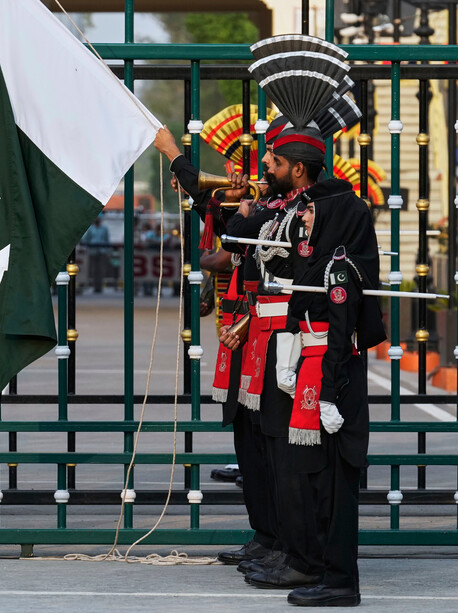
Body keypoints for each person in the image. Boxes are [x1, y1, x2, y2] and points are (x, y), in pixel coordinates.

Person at [153, 123, 280, 570]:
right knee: (249, 440)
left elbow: (226, 248)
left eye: (273, 160)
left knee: (271, 447)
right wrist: (190, 173)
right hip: (245, 332)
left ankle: (284, 543)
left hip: (272, 341)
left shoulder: (289, 209)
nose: (264, 166)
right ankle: (266, 536)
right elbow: (215, 218)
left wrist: (171, 150)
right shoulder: (267, 205)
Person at [280, 127, 384, 607]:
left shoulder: (340, 268)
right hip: (323, 370)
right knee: (320, 481)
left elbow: (341, 335)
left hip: (336, 378)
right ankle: (328, 572)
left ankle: (341, 581)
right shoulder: (323, 261)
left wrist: (327, 395)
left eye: (312, 210)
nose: (304, 215)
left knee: (339, 486)